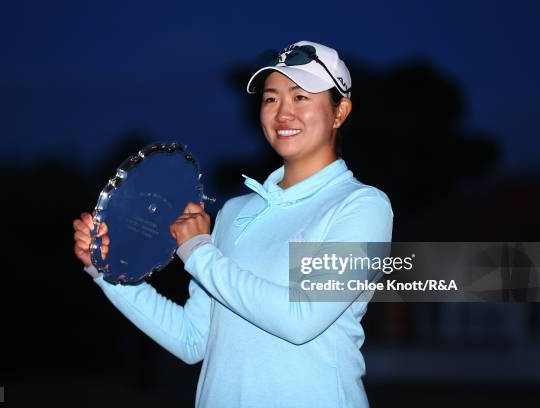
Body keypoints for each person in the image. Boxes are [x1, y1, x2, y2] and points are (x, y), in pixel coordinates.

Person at [73, 40, 393, 407]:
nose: (283, 112)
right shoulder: (234, 212)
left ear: (340, 111)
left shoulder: (361, 205)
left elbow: (300, 320)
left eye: (301, 97)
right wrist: (106, 271)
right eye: (271, 98)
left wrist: (198, 251)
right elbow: (193, 340)